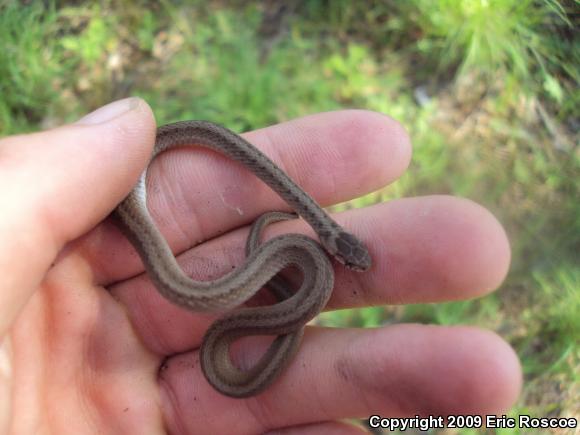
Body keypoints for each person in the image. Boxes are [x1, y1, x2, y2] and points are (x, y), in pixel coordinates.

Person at [0, 98, 521, 434]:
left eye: (346, 261)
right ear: (335, 245)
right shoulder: (303, 229)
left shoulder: (313, 242)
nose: (349, 266)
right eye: (346, 259)